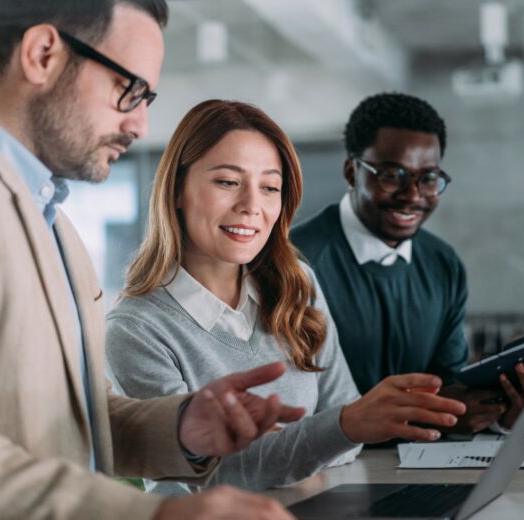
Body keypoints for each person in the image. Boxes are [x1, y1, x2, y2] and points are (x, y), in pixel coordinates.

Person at [0, 2, 303, 519]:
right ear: (42, 54)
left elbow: (77, 415)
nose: (139, 123)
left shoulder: (54, 221)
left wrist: (182, 425)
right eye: (128, 90)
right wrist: (152, 515)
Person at [105, 99, 467, 495]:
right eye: (228, 182)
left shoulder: (296, 285)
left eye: (270, 187)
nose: (251, 206)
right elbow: (205, 475)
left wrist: (336, 432)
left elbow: (346, 439)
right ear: (177, 189)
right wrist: (339, 428)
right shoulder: (136, 329)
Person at [291, 93, 524, 432]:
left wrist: (496, 414)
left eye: (427, 178)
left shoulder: (443, 264)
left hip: (425, 467)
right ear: (352, 172)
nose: (412, 195)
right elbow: (294, 404)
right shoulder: (295, 261)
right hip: (327, 468)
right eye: (392, 175)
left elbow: (449, 382)